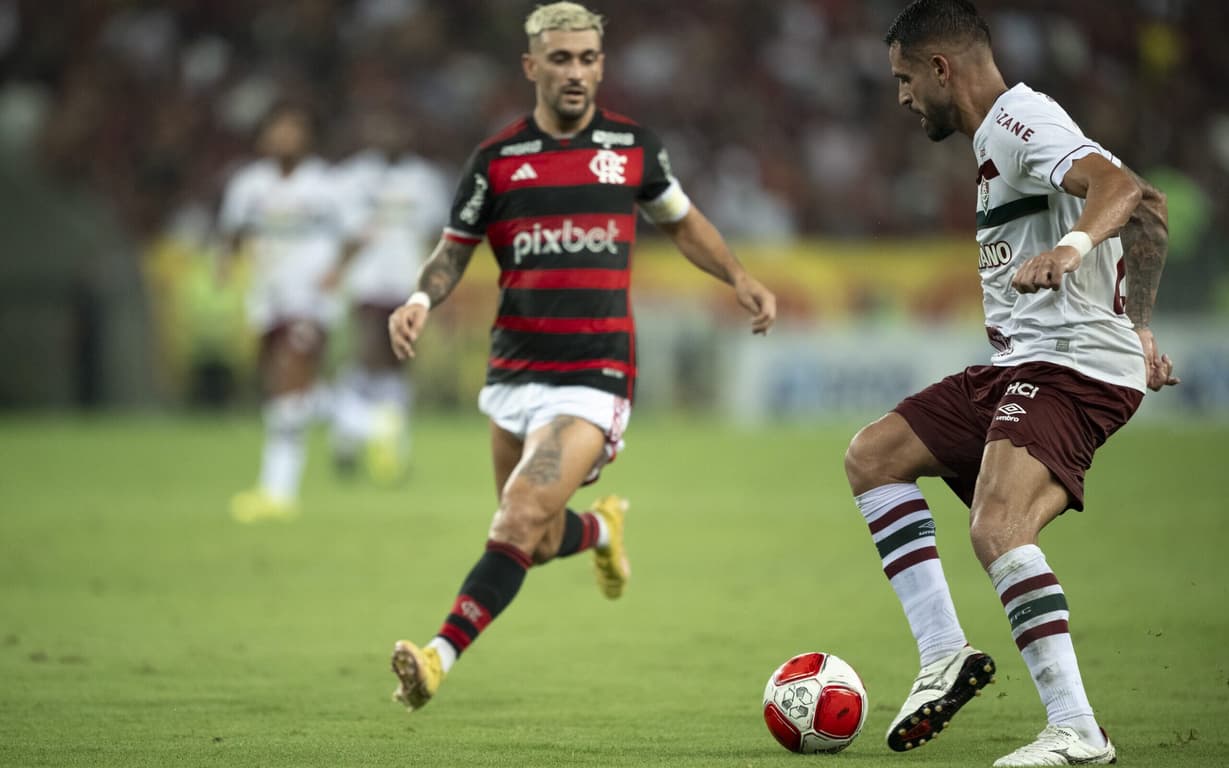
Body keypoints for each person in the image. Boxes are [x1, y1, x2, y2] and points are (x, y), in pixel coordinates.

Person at [385, 1, 777, 714]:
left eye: (588, 59)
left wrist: (738, 277)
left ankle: (436, 658)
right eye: (561, 58)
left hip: (593, 374)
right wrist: (419, 299)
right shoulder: (496, 162)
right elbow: (452, 253)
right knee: (532, 541)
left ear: (601, 66)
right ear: (530, 66)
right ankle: (600, 528)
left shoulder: (632, 148)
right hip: (512, 371)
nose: (575, 72)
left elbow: (682, 224)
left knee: (516, 516)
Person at [844, 1, 1178, 765]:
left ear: (940, 68)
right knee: (874, 456)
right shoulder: (1003, 135)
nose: (900, 96)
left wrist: (1068, 250)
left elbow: (1118, 187)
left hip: (1070, 368)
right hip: (1024, 364)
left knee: (997, 528)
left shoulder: (1019, 122)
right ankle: (943, 656)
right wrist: (1138, 325)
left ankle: (1076, 730)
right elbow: (1150, 208)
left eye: (903, 78)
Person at [218, 102, 365, 522]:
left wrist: (335, 271)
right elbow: (231, 232)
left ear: (307, 137)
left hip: (311, 300)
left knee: (287, 386)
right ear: (264, 137)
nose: (285, 137)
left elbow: (357, 235)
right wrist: (225, 263)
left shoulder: (327, 185)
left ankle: (277, 492)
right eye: (278, 130)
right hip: (267, 299)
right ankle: (360, 418)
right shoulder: (248, 184)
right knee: (286, 389)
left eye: (293, 130)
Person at [332, 110, 450, 483]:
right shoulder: (354, 176)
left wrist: (437, 286)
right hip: (367, 282)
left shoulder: (424, 180)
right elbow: (347, 234)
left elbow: (436, 238)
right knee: (368, 356)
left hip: (407, 284)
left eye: (396, 129)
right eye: (382, 129)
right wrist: (337, 272)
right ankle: (360, 433)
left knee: (398, 361)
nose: (389, 136)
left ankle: (379, 441)